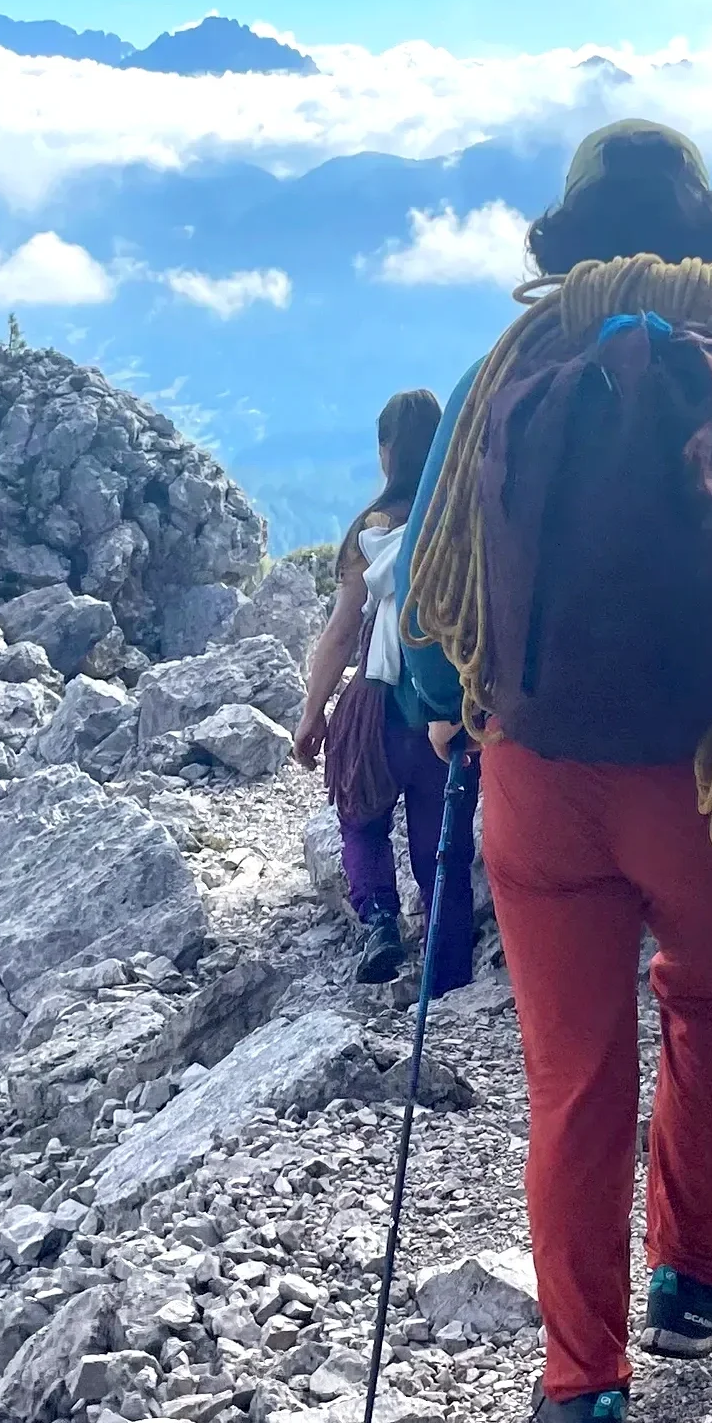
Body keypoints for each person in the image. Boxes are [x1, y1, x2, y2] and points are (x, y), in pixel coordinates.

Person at [399, 121, 712, 1423]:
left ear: (569, 236)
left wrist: (442, 697)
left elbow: (429, 578)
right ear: (704, 226)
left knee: (574, 1077)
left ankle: (584, 1389)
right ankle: (692, 1279)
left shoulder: (507, 366)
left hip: (539, 780)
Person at [293, 387, 478, 989]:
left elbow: (342, 630)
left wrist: (313, 711)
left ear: (386, 451)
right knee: (441, 844)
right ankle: (446, 969)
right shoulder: (462, 521)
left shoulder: (369, 531)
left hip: (377, 707)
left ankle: (378, 920)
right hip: (448, 707)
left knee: (359, 812)